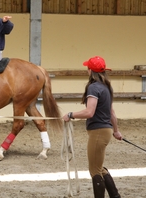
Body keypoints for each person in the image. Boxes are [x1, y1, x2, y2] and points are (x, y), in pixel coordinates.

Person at [62, 56, 122, 198]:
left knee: (94, 170)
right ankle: (115, 196)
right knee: (99, 168)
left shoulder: (93, 87)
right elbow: (112, 112)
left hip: (98, 132)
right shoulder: (106, 87)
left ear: (90, 70)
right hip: (105, 130)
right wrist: (116, 130)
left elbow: (89, 112)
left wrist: (71, 114)